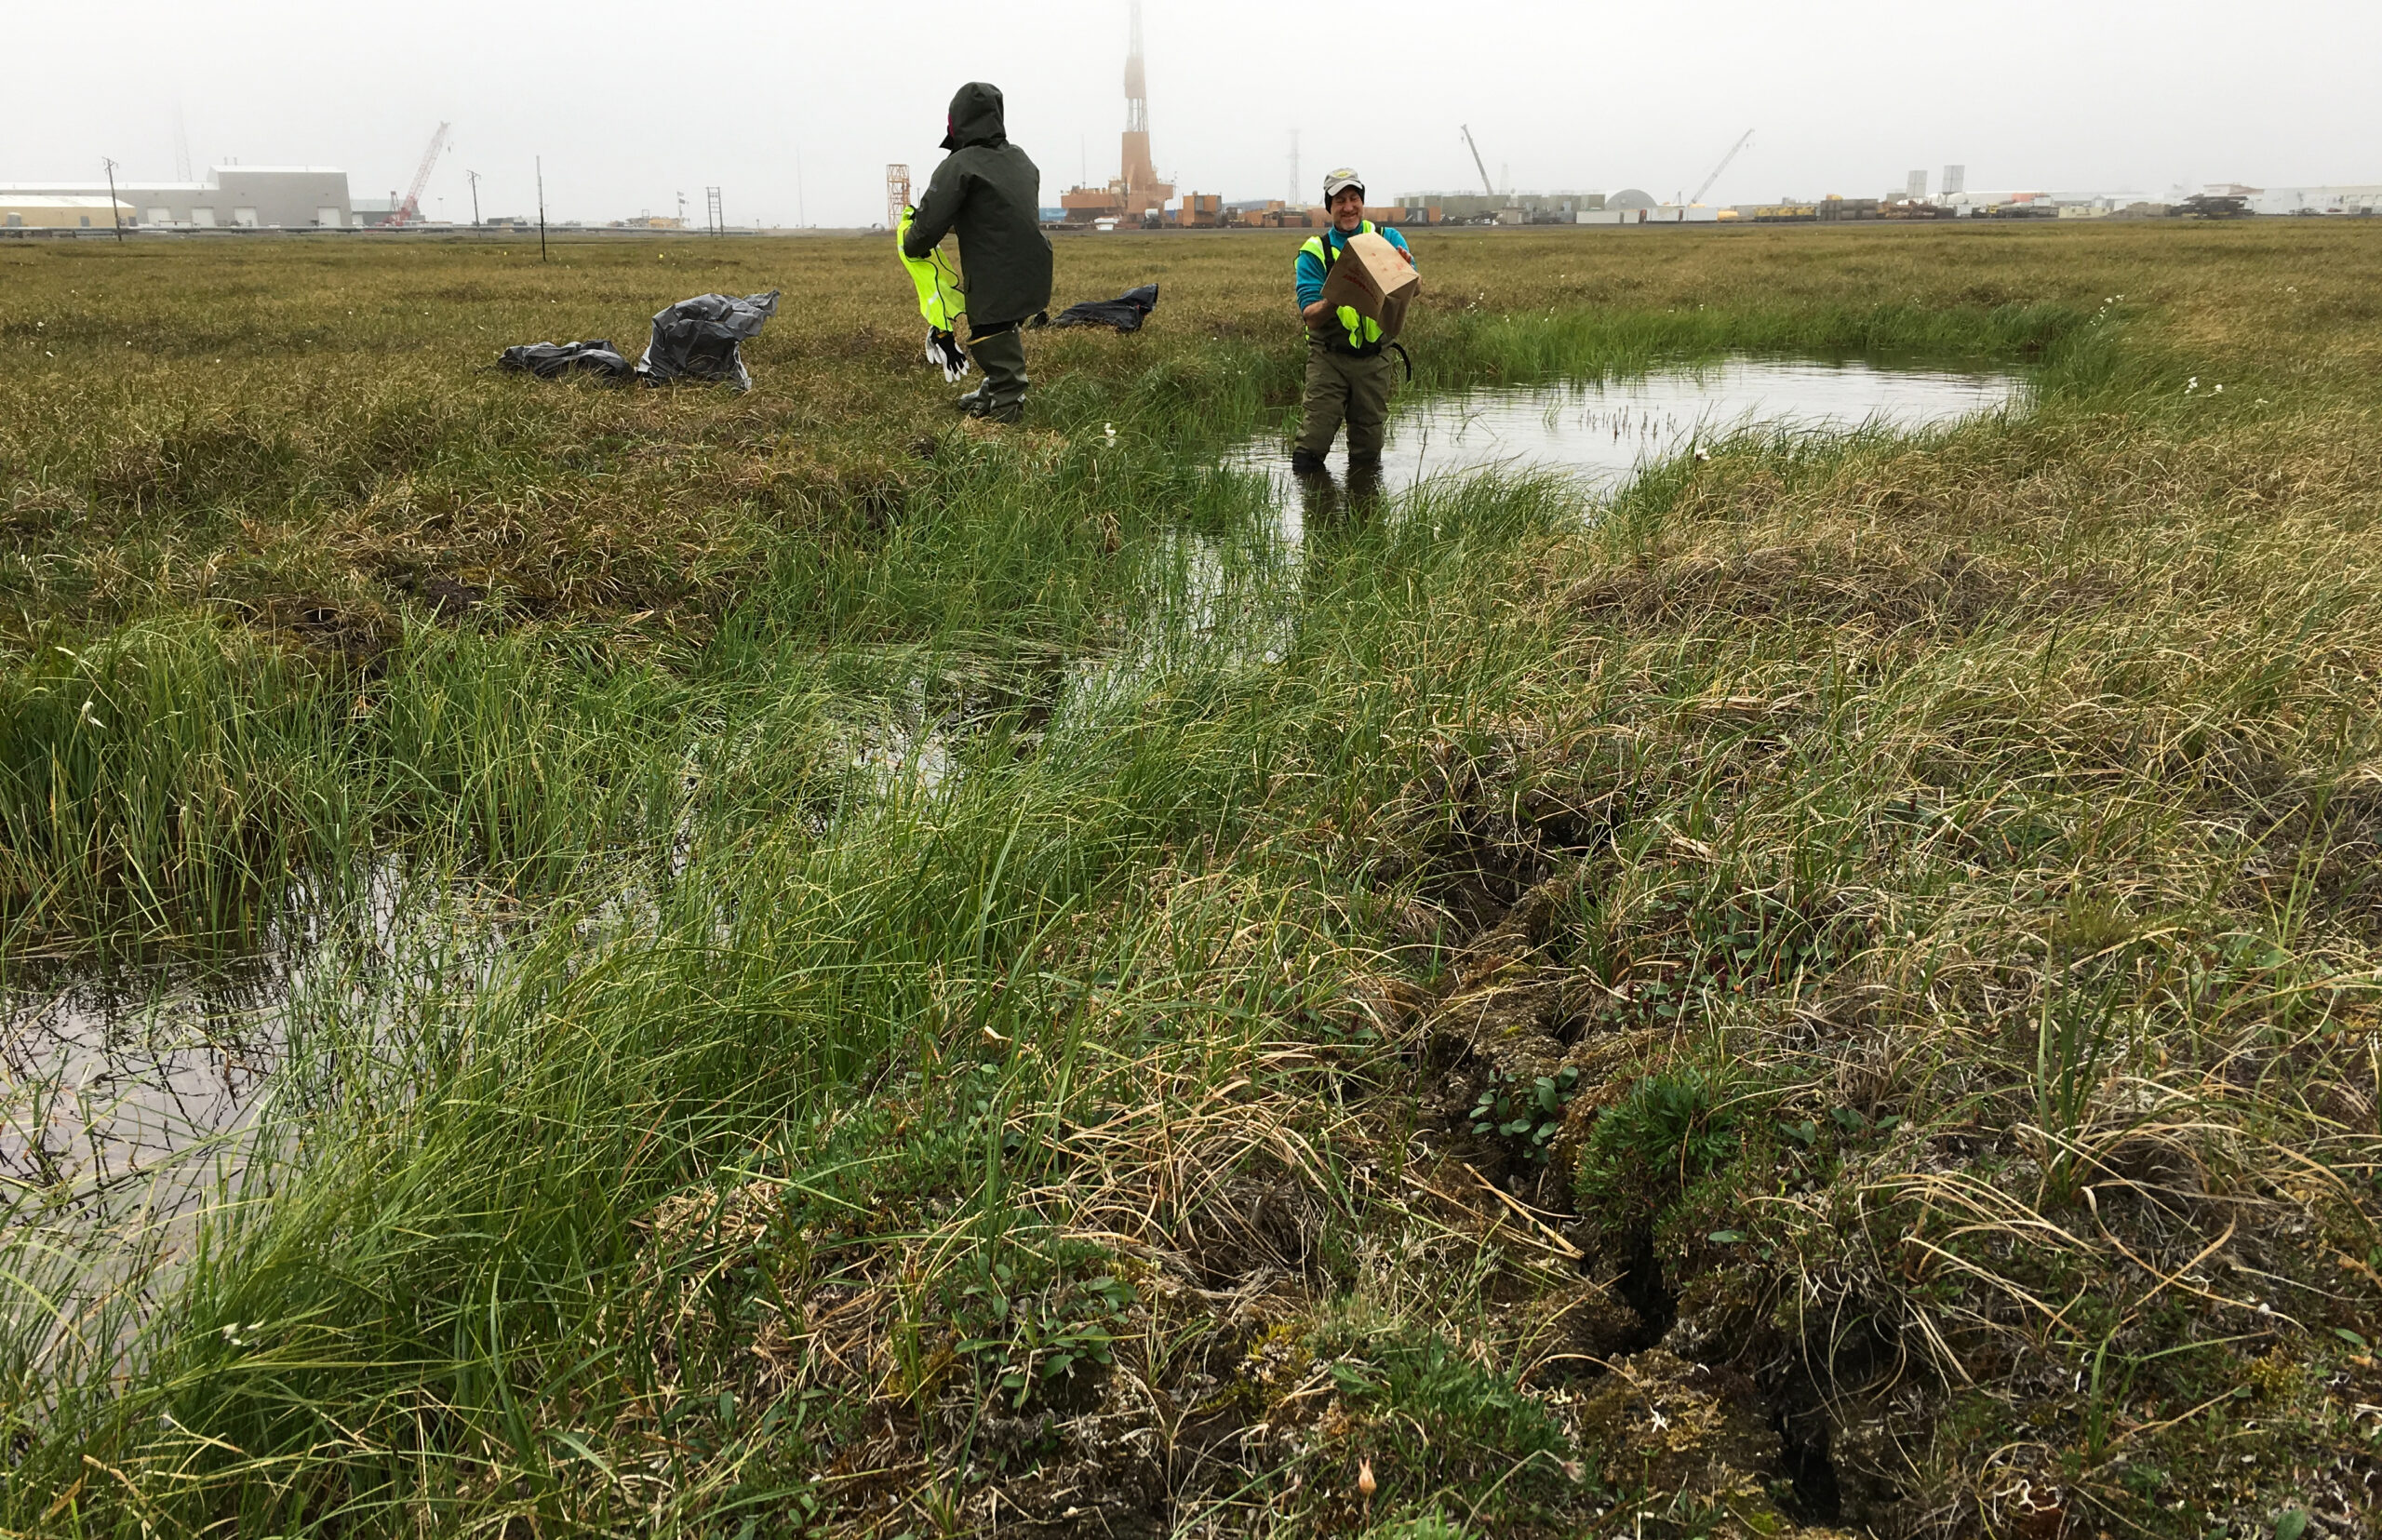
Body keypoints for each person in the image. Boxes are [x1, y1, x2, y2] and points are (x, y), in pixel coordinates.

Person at [903, 82, 1053, 423]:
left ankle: (1008, 401)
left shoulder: (960, 165)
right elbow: (998, 213)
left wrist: (909, 241)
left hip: (995, 273)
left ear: (956, 121)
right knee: (1003, 324)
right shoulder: (1020, 159)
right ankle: (992, 387)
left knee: (989, 331)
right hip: (1035, 269)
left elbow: (924, 232)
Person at [1292, 168, 1414, 475]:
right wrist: (1337, 295)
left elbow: (1416, 288)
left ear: (1362, 202)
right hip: (1329, 358)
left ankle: (1364, 514)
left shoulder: (1388, 238)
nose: (1348, 207)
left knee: (1368, 453)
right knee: (1311, 447)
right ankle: (1315, 514)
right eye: (1339, 201)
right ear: (1329, 207)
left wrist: (1406, 272)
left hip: (1375, 359)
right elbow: (1310, 316)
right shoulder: (1314, 251)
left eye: (1354, 198)